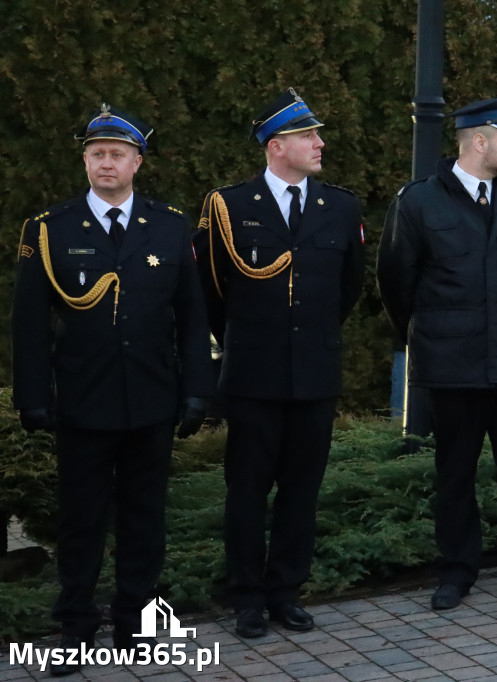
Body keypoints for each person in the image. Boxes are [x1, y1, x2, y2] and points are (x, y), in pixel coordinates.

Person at [11, 104, 213, 673]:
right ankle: (75, 631)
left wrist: (197, 389)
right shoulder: (48, 229)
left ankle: (136, 628)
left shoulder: (169, 225)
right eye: (97, 153)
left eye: (117, 154)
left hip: (152, 397)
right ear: (85, 162)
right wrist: (33, 396)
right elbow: (28, 323)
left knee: (145, 520)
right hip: (83, 401)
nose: (107, 163)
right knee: (81, 522)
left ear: (136, 163)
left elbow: (192, 316)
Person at [377, 94, 497, 610]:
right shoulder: (419, 201)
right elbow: (396, 283)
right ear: (479, 141)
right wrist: (431, 338)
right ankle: (456, 572)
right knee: (455, 473)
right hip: (453, 366)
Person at [193, 88, 365, 637]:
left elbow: (348, 288)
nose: (319, 144)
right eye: (307, 135)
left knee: (301, 490)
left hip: (314, 372)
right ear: (276, 146)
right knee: (246, 491)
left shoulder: (341, 207)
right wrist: (247, 339)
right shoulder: (229, 207)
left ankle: (286, 592)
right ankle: (246, 597)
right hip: (253, 373)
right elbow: (212, 289)